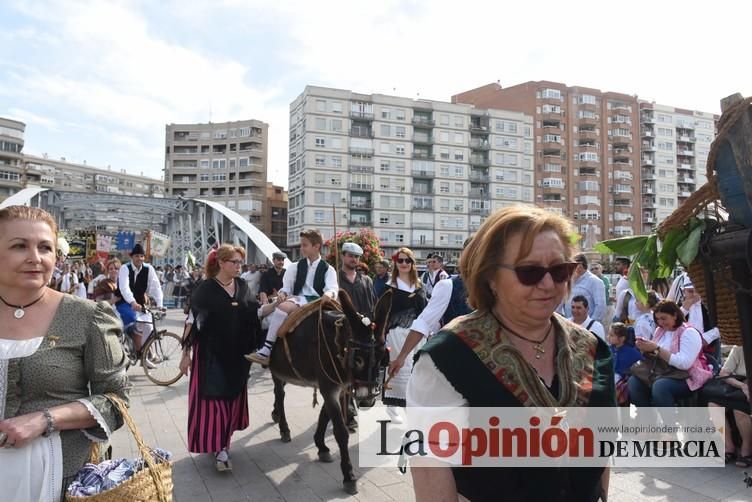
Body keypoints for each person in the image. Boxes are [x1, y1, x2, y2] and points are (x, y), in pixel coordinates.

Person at [408, 205, 615, 502]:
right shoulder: (447, 359)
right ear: (490, 276)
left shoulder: (595, 349)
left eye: (559, 270)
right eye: (529, 272)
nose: (548, 284)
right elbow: (431, 470)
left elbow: (601, 453)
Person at [0, 205, 129, 500]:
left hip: (57, 477)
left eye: (45, 247)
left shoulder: (88, 316)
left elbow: (116, 400)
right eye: (20, 246)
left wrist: (44, 419)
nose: (35, 257)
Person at [179, 244, 260, 472]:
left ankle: (222, 444)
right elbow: (192, 322)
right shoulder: (205, 289)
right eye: (234, 262)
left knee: (231, 401)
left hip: (237, 355)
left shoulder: (243, 286)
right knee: (216, 405)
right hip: (210, 356)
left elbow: (254, 312)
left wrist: (275, 306)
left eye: (240, 262)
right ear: (221, 263)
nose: (238, 266)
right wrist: (185, 354)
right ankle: (221, 450)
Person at [246, 229, 338, 365]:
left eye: (305, 245)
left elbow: (332, 288)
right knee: (281, 307)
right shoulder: (294, 267)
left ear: (317, 246)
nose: (301, 248)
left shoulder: (328, 269)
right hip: (299, 299)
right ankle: (267, 349)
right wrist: (283, 293)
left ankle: (334, 355)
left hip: (318, 301)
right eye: (301, 245)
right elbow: (287, 288)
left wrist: (329, 294)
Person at [388, 237, 474, 379]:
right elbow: (423, 323)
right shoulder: (448, 286)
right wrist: (401, 357)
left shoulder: (499, 287)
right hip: (457, 365)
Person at [628, 300, 712, 408]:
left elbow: (685, 364)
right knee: (634, 381)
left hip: (687, 376)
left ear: (675, 315)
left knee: (660, 386)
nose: (660, 322)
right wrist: (645, 348)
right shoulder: (660, 330)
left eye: (663, 318)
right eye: (657, 319)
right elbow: (655, 354)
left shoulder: (689, 333)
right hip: (663, 371)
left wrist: (657, 349)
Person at [382, 247, 427, 412]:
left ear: (412, 263)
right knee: (398, 367)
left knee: (414, 370)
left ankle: (411, 405)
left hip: (417, 335)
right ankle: (393, 405)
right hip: (396, 334)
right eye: (400, 260)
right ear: (395, 263)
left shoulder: (419, 286)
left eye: (407, 260)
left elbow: (425, 311)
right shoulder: (389, 287)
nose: (403, 263)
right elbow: (382, 313)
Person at [337, 242, 376, 432]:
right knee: (344, 372)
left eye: (357, 257)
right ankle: (349, 412)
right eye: (350, 255)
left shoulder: (366, 280)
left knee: (361, 372)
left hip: (362, 334)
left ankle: (360, 401)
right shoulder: (334, 279)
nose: (354, 260)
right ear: (343, 256)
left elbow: (372, 306)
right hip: (341, 333)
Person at [703, 345, 751, 466]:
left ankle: (747, 449)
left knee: (739, 409)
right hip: (739, 385)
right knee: (713, 405)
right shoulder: (739, 347)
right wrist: (742, 386)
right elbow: (724, 373)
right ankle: (729, 447)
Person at [117, 243, 164, 353]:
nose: (139, 258)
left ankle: (144, 352)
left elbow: (155, 287)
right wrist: (132, 302)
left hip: (140, 303)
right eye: (137, 256)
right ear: (132, 257)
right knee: (133, 318)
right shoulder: (125, 268)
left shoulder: (149, 269)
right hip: (125, 302)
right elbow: (124, 288)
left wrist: (160, 304)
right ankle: (132, 346)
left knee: (149, 326)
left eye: (141, 256)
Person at [561, 254, 606, 323]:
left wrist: (590, 326)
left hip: (587, 328)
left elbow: (600, 306)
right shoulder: (568, 281)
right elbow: (560, 304)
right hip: (569, 325)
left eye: (570, 265)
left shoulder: (595, 282)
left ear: (580, 265)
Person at [609, 322, 642, 406]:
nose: (608, 337)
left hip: (623, 379)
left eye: (612, 335)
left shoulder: (631, 352)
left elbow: (641, 364)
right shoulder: (609, 349)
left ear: (622, 338)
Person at [590, 262, 612, 330]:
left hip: (607, 306)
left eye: (596, 268)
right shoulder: (590, 280)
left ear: (601, 269)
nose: (594, 270)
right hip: (594, 306)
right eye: (592, 269)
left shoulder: (605, 279)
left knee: (606, 327)